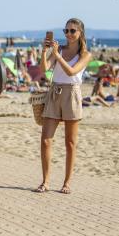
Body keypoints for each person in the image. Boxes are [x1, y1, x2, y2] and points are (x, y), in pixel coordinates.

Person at [34, 18, 91, 195]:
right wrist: (45, 51)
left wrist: (57, 55)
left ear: (80, 32)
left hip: (72, 94)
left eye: (72, 31)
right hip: (54, 92)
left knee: (70, 143)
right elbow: (44, 69)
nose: (68, 34)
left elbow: (72, 72)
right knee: (45, 140)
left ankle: (66, 182)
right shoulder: (59, 50)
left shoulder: (85, 55)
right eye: (66, 30)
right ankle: (45, 181)